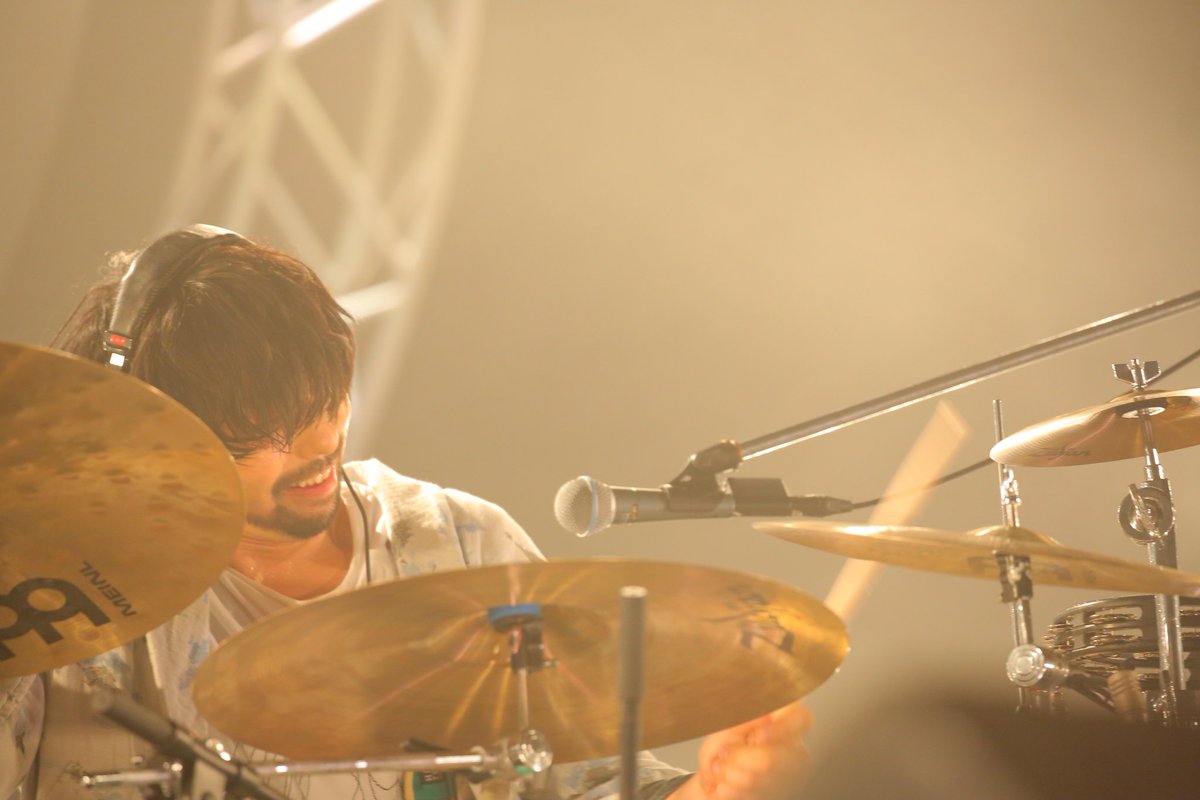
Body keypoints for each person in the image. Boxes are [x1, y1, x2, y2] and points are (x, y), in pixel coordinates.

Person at [0, 227, 812, 800]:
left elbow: (586, 784)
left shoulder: (462, 544)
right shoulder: (66, 583)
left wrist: (707, 790)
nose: (319, 443)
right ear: (160, 435)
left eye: (327, 401)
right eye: (266, 435)